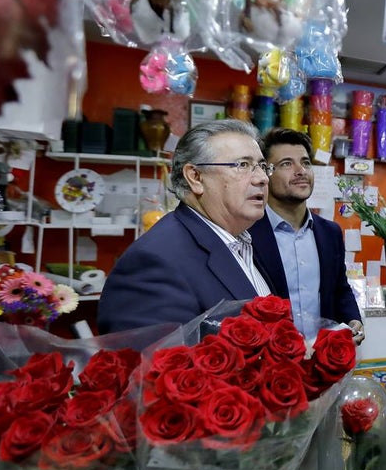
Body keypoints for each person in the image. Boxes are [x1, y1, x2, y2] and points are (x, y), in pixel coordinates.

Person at [98, 119, 280, 333]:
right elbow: (151, 352)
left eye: (262, 166)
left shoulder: (244, 240)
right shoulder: (155, 261)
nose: (262, 179)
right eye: (243, 165)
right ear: (195, 177)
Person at [249, 128, 363, 342]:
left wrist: (353, 319)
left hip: (322, 355)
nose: (300, 170)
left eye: (306, 163)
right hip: (272, 355)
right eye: (286, 164)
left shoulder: (330, 233)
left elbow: (340, 289)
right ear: (265, 173)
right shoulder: (247, 233)